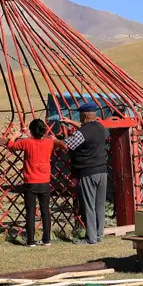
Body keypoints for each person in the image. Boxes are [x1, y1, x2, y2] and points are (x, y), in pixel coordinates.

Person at [7, 119, 66, 247]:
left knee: (30, 211)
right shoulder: (49, 142)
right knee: (46, 211)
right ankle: (46, 239)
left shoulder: (27, 142)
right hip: (45, 181)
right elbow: (58, 143)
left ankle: (31, 240)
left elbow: (11, 147)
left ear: (31, 131)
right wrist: (54, 138)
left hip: (31, 182)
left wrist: (14, 136)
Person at [60, 102, 108, 245]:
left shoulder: (82, 133)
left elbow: (67, 145)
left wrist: (54, 140)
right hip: (103, 171)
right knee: (100, 205)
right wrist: (70, 122)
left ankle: (91, 238)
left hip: (88, 172)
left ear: (85, 115)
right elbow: (85, 129)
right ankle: (99, 235)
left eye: (80, 115)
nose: (79, 118)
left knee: (88, 205)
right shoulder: (100, 127)